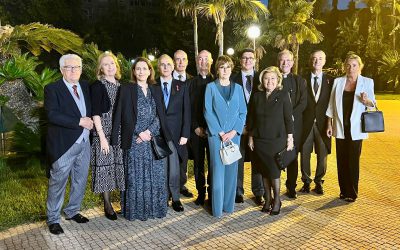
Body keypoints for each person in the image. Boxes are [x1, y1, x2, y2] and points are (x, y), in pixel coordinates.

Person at [111, 57, 171, 220]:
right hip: (134, 141)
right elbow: (123, 115)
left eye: (144, 68)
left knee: (155, 177)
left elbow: (161, 115)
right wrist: (139, 133)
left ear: (150, 71)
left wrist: (149, 132)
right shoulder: (126, 89)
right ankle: (136, 211)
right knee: (135, 178)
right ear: (134, 71)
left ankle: (155, 210)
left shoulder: (156, 89)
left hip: (153, 141)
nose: (141, 72)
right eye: (138, 69)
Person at [45, 54, 93, 235]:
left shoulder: (86, 86)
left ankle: (72, 211)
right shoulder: (52, 89)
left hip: (84, 142)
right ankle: (53, 219)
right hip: (63, 145)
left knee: (80, 180)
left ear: (81, 69)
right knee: (58, 182)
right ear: (61, 70)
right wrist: (79, 121)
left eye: (77, 67)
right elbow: (52, 114)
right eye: (69, 67)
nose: (73, 71)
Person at [326, 53, 376, 202]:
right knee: (341, 160)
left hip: (357, 128)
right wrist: (329, 124)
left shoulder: (367, 82)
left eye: (354, 65)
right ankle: (343, 191)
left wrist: (366, 100)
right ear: (344, 67)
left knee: (353, 160)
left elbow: (373, 104)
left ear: (360, 67)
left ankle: (352, 192)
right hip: (341, 127)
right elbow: (331, 105)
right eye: (348, 65)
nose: (351, 68)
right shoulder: (338, 82)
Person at [247, 66, 294, 215]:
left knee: (274, 173)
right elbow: (252, 119)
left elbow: (288, 118)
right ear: (262, 80)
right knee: (264, 172)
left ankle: (277, 200)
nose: (269, 81)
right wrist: (250, 137)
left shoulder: (283, 95)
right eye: (266, 78)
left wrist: (290, 138)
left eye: (273, 78)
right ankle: (267, 200)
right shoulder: (257, 96)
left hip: (276, 141)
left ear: (278, 80)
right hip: (260, 141)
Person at [204, 55, 247, 218]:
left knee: (231, 170)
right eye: (222, 67)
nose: (225, 70)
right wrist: (221, 132)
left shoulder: (238, 89)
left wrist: (234, 131)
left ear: (231, 69)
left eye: (228, 67)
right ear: (217, 69)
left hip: (234, 136)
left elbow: (243, 112)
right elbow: (208, 112)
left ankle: (228, 206)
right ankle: (216, 208)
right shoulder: (210, 88)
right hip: (216, 136)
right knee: (217, 171)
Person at [90, 51, 125, 220]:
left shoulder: (122, 86)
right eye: (106, 64)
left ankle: (122, 202)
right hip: (103, 132)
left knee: (118, 166)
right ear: (101, 69)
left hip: (118, 132)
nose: (110, 67)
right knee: (105, 169)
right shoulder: (97, 86)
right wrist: (102, 137)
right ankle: (107, 204)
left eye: (112, 63)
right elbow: (95, 113)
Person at [156, 54, 191, 212]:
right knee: (161, 169)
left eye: (168, 64)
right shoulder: (153, 85)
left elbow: (186, 112)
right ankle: (163, 198)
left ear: (172, 66)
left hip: (176, 134)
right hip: (158, 133)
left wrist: (185, 134)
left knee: (175, 169)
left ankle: (176, 198)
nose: (165, 67)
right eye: (162, 64)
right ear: (158, 67)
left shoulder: (181, 86)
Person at [231, 48, 264, 205]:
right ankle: (238, 191)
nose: (247, 60)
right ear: (240, 60)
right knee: (238, 159)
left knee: (257, 160)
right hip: (239, 128)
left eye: (251, 58)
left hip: (257, 129)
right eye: (244, 58)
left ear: (255, 60)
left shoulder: (262, 78)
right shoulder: (232, 79)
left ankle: (258, 191)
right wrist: (240, 125)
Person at [300, 50, 333, 195]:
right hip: (305, 124)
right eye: (314, 58)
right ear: (310, 61)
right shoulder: (302, 79)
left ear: (324, 61)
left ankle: (319, 182)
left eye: (320, 58)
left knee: (322, 154)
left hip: (323, 124)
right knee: (305, 154)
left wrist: (330, 123)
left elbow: (333, 104)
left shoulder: (331, 81)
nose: (316, 61)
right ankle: (306, 182)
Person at [278, 49, 307, 199]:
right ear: (278, 62)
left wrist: (289, 117)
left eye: (288, 60)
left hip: (294, 125)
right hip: (277, 125)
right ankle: (273, 187)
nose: (285, 63)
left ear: (293, 62)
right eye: (283, 60)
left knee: (292, 156)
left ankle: (291, 187)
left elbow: (303, 103)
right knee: (275, 154)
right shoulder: (273, 79)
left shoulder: (299, 81)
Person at [189, 50, 214, 205]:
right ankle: (200, 192)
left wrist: (212, 128)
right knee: (198, 163)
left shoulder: (217, 81)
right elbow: (188, 107)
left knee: (212, 163)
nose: (203, 62)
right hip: (197, 131)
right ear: (197, 62)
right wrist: (196, 127)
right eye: (200, 59)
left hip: (213, 131)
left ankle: (212, 192)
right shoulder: (190, 83)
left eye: (206, 59)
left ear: (211, 61)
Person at [173, 49, 194, 198]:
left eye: (183, 59)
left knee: (184, 158)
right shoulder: (165, 80)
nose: (181, 62)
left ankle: (181, 185)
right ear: (174, 61)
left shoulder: (193, 80)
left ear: (187, 61)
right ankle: (170, 187)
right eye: (178, 59)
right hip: (172, 127)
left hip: (190, 127)